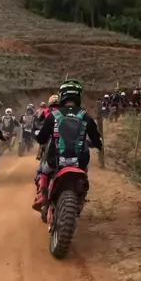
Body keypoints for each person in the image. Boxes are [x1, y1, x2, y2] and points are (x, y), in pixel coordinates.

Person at [32, 81, 102, 218]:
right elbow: (97, 141)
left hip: (55, 161)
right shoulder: (85, 116)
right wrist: (97, 144)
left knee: (43, 171)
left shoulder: (54, 115)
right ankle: (80, 199)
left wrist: (38, 135)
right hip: (80, 163)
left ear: (62, 96)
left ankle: (42, 196)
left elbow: (41, 139)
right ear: (79, 96)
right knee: (84, 174)